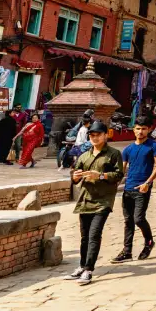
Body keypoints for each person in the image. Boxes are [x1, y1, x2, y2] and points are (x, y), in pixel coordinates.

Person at [65, 121, 123, 286]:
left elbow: (118, 175)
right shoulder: (84, 156)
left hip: (103, 201)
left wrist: (101, 176)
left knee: (94, 234)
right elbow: (75, 176)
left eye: (98, 135)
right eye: (92, 135)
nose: (95, 138)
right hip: (85, 199)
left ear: (106, 135)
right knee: (84, 237)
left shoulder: (113, 154)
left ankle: (89, 269)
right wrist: (75, 177)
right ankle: (82, 266)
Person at [112, 119, 156, 263]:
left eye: (144, 129)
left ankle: (149, 242)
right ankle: (127, 251)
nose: (140, 132)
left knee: (138, 218)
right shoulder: (128, 149)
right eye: (138, 128)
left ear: (148, 130)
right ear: (133, 130)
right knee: (128, 220)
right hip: (128, 188)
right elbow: (122, 170)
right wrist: (113, 184)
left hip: (143, 187)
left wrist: (147, 182)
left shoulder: (153, 145)